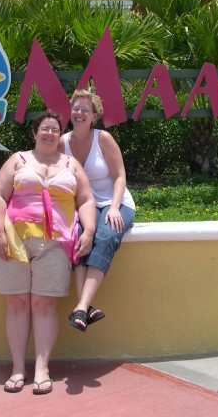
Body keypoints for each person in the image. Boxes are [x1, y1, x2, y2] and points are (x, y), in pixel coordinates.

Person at [0, 110, 95, 395]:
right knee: (17, 304)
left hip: (57, 243)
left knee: (44, 305)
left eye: (55, 129)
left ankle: (42, 368)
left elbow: (85, 199)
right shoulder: (18, 160)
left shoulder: (71, 164)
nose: (49, 133)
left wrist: (88, 231)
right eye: (44, 128)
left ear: (60, 135)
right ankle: (17, 368)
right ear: (34, 133)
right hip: (15, 241)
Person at [59, 89, 135, 332]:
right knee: (80, 239)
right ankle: (84, 308)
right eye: (76, 108)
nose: (79, 113)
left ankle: (81, 306)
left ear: (94, 116)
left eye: (85, 109)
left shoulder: (103, 138)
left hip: (115, 201)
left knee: (106, 235)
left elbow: (120, 175)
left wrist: (114, 207)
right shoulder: (62, 143)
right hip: (83, 205)